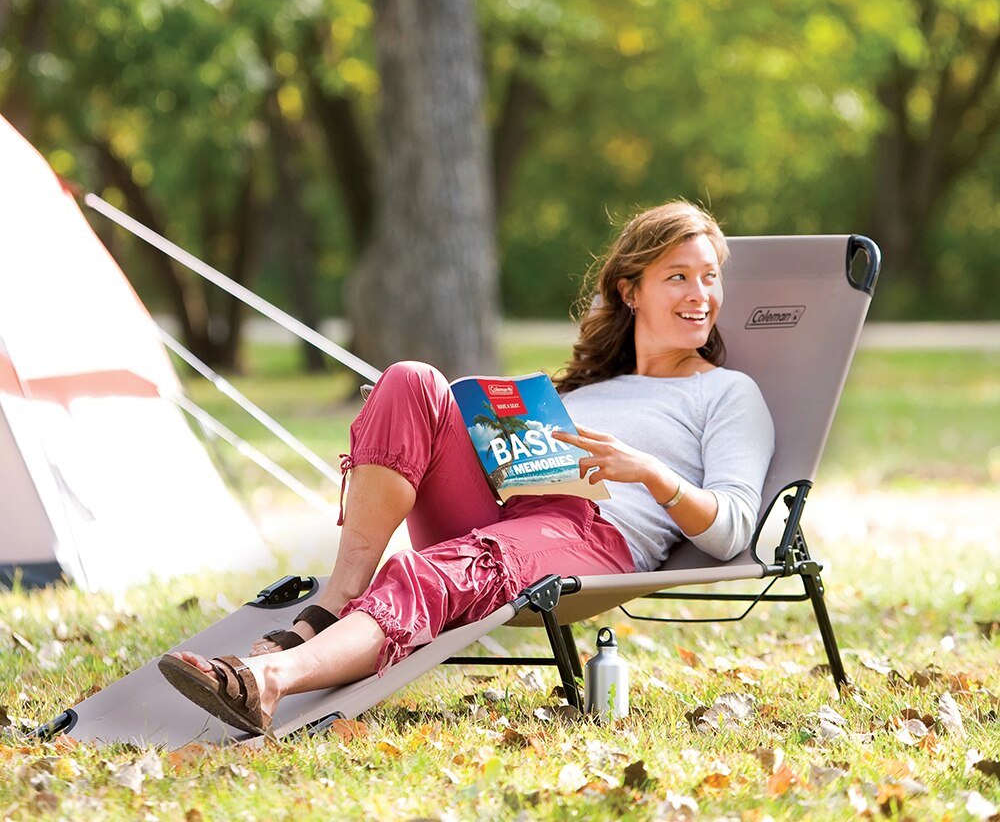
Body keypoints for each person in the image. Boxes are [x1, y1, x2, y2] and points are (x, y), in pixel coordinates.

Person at [158, 199, 775, 735]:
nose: (701, 296)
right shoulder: (591, 384)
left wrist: (650, 473)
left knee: (431, 569)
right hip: (515, 501)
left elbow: (733, 531)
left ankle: (267, 679)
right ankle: (334, 600)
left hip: (589, 535)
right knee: (412, 382)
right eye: (678, 277)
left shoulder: (725, 393)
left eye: (710, 278)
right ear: (630, 289)